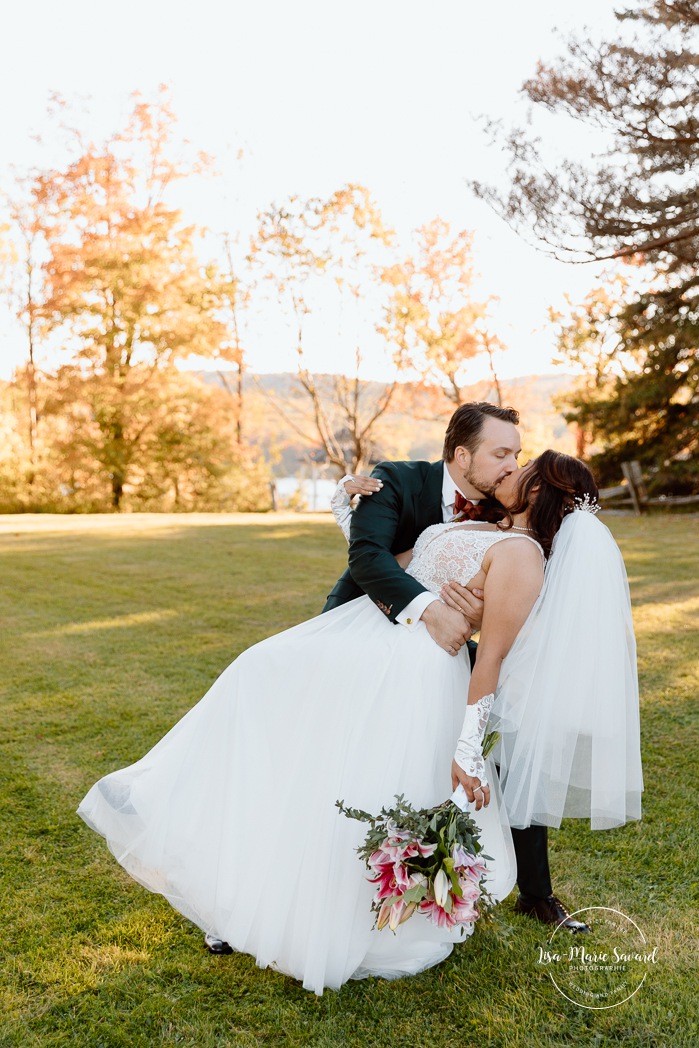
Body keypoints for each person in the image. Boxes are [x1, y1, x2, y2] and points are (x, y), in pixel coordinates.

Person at [77, 450, 642, 995]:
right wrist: (352, 514)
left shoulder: (522, 557)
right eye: (506, 456)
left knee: (349, 778)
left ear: (539, 492)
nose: (511, 468)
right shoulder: (489, 526)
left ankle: (319, 911)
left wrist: (467, 752)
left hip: (412, 669)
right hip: (368, 638)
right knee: (270, 699)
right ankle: (214, 850)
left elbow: (490, 659)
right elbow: (395, 565)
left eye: (524, 466)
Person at [323, 403, 588, 933]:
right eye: (502, 454)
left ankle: (536, 893)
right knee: (347, 755)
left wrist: (472, 617)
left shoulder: (504, 510)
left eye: (518, 455)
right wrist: (432, 608)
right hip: (377, 626)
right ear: (462, 455)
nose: (513, 465)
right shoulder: (395, 480)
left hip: (455, 649)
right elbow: (371, 558)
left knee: (510, 733)